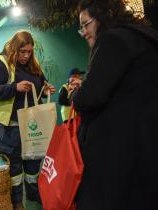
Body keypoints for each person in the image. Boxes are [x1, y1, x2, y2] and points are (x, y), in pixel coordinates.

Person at [71, 0, 158, 210]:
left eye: (86, 24)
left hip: (116, 161)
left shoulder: (113, 40)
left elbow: (89, 97)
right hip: (144, 153)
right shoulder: (144, 39)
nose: (83, 32)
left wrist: (75, 93)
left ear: (102, 16)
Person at [0, 30, 55, 210]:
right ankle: (16, 201)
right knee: (15, 164)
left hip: (31, 123)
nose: (26, 56)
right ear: (15, 48)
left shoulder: (34, 65)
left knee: (33, 159)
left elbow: (41, 83)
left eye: (29, 52)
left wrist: (46, 89)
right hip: (9, 124)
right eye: (22, 51)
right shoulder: (2, 63)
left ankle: (33, 193)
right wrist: (14, 87)